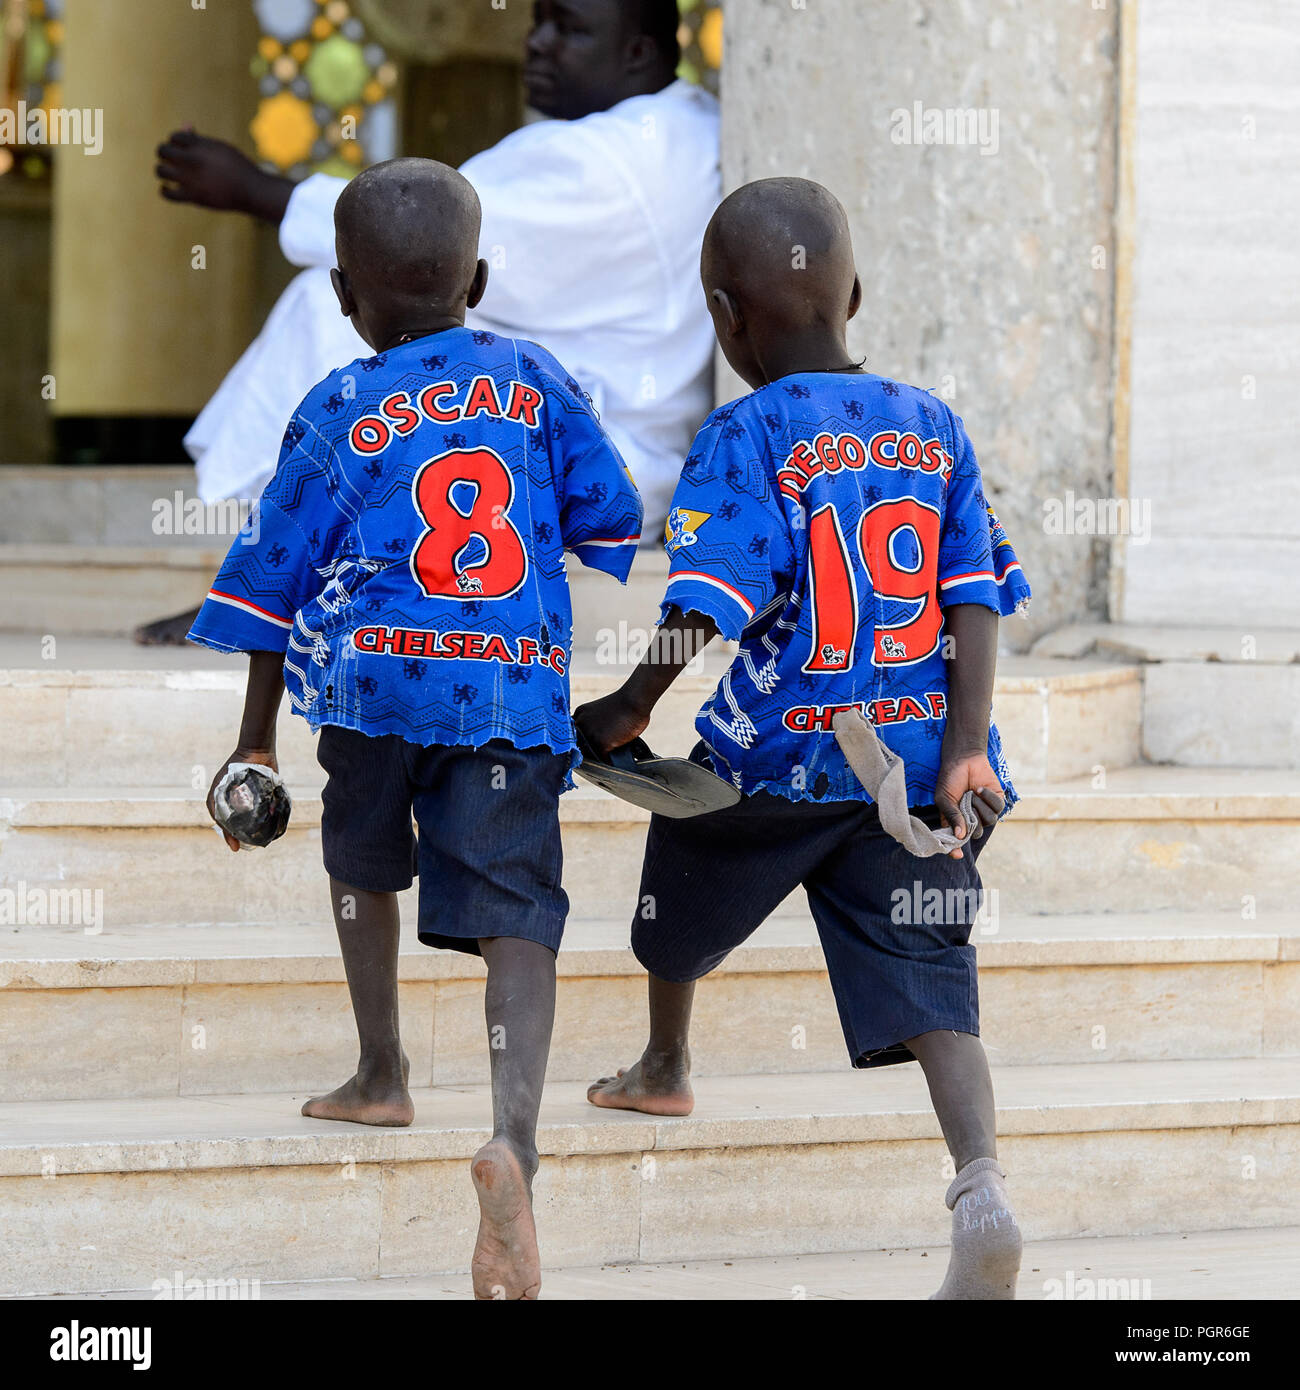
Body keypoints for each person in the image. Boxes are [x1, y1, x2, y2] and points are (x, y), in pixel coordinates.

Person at [189, 158, 643, 1300]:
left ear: (344, 295)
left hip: (372, 691)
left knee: (360, 863)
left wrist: (256, 741)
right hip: (505, 692)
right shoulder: (538, 381)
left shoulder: (337, 406)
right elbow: (610, 517)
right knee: (518, 912)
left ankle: (381, 1070)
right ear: (478, 277)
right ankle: (514, 1140)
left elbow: (268, 587)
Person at [574, 178, 1032, 1300]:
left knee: (677, 879)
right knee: (931, 977)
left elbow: (710, 602)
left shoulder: (740, 433)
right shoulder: (933, 425)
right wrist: (966, 746)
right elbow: (973, 599)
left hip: (775, 758)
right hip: (919, 763)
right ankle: (979, 1184)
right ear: (855, 294)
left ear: (724, 318)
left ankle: (666, 1063)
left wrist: (633, 706)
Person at [142, 0, 718, 643]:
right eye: (539, 23)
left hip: (576, 462)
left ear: (637, 52)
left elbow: (412, 241)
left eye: (570, 31)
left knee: (327, 307)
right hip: (626, 451)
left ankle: (263, 584)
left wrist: (252, 191)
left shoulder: (602, 159)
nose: (538, 45)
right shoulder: (690, 123)